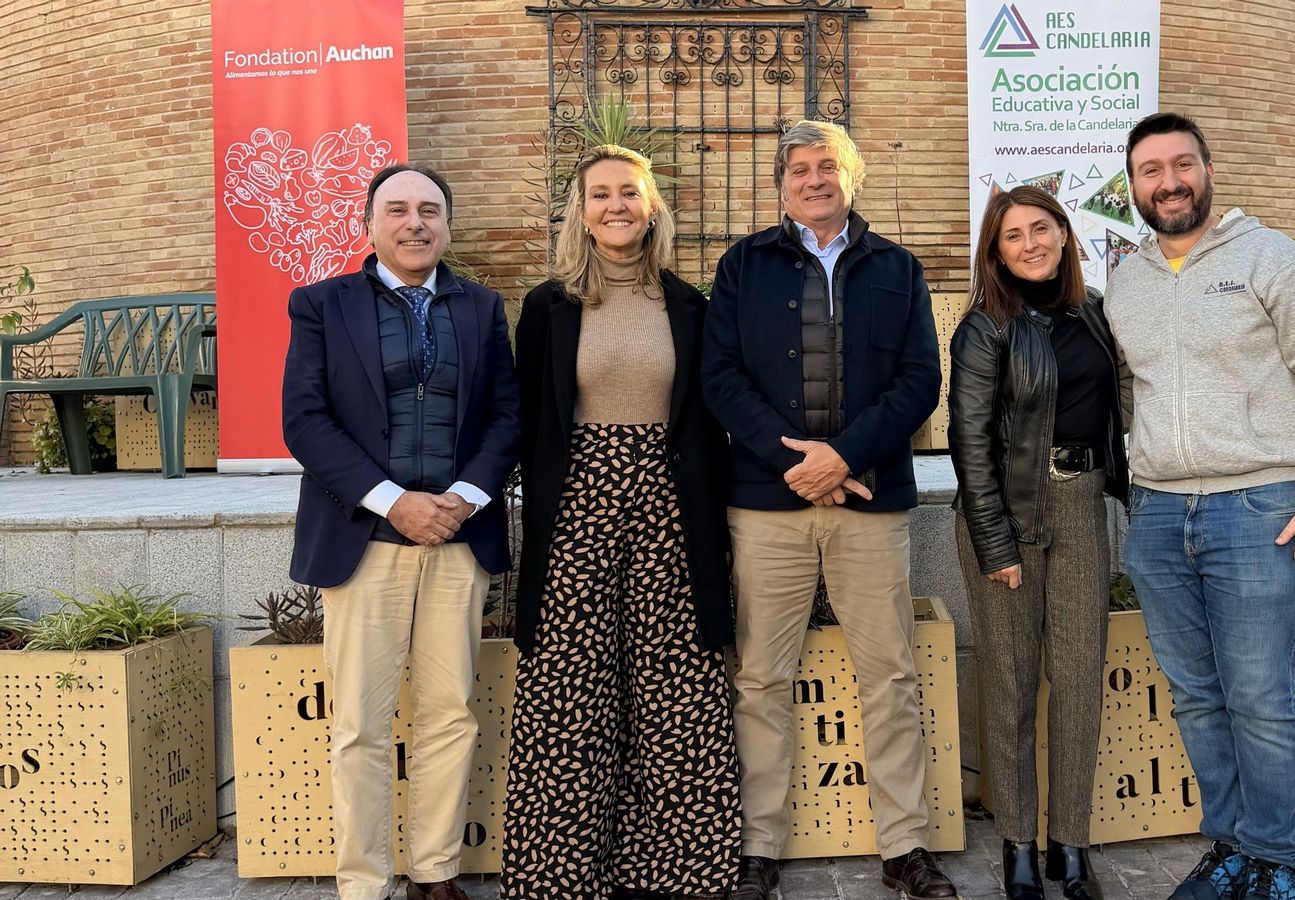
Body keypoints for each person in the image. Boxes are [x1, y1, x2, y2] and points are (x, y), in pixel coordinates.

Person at [1106, 112, 1295, 900]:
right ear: (1133, 188)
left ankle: (1276, 860)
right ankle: (1230, 849)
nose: (1169, 181)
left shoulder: (1270, 257)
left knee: (1258, 694)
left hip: (1258, 507)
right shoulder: (1127, 280)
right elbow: (1129, 393)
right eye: (1151, 171)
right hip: (1157, 515)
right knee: (1195, 693)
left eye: (1182, 164)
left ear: (1208, 171)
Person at [702, 119, 956, 900]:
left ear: (852, 176)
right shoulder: (743, 265)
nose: (814, 180)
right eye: (799, 169)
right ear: (781, 184)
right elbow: (720, 377)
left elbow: (919, 381)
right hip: (765, 508)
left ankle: (904, 846)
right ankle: (758, 849)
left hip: (869, 501)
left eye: (828, 167)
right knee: (760, 680)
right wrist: (797, 464)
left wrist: (843, 457)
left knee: (890, 675)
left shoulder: (897, 267)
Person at [501, 143, 740, 900]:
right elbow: (534, 419)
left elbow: (703, 422)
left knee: (676, 682)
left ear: (652, 206)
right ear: (581, 211)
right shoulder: (548, 306)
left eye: (628, 193)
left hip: (671, 507)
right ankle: (560, 873)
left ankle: (680, 866)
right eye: (599, 194)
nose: (615, 206)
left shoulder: (688, 304)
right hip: (577, 504)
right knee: (569, 685)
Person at [282, 163, 520, 900]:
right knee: (359, 723)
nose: (414, 222)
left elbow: (507, 415)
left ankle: (436, 873)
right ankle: (363, 882)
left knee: (451, 716)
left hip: (457, 539)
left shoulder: (482, 308)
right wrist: (395, 502)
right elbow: (305, 420)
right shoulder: (322, 305)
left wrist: (464, 497)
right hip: (365, 544)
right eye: (398, 210)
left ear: (447, 226)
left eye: (429, 210)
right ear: (369, 224)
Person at [948, 185, 1129, 900]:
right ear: (995, 250)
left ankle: (1071, 848)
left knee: (1081, 683)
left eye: (1042, 227)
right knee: (1014, 686)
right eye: (1012, 234)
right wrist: (997, 546)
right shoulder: (984, 328)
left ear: (1064, 232)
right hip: (1008, 515)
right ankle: (1019, 846)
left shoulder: (1093, 316)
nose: (1030, 243)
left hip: (1082, 507)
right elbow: (969, 442)